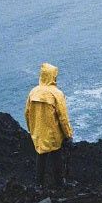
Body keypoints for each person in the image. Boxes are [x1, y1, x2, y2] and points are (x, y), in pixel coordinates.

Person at [24, 62, 73, 190]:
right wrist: (68, 134)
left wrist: (31, 130)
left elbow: (27, 113)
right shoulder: (56, 93)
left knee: (41, 156)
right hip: (53, 133)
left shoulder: (33, 92)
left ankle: (39, 184)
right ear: (52, 76)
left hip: (38, 132)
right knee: (56, 156)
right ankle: (59, 183)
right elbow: (63, 117)